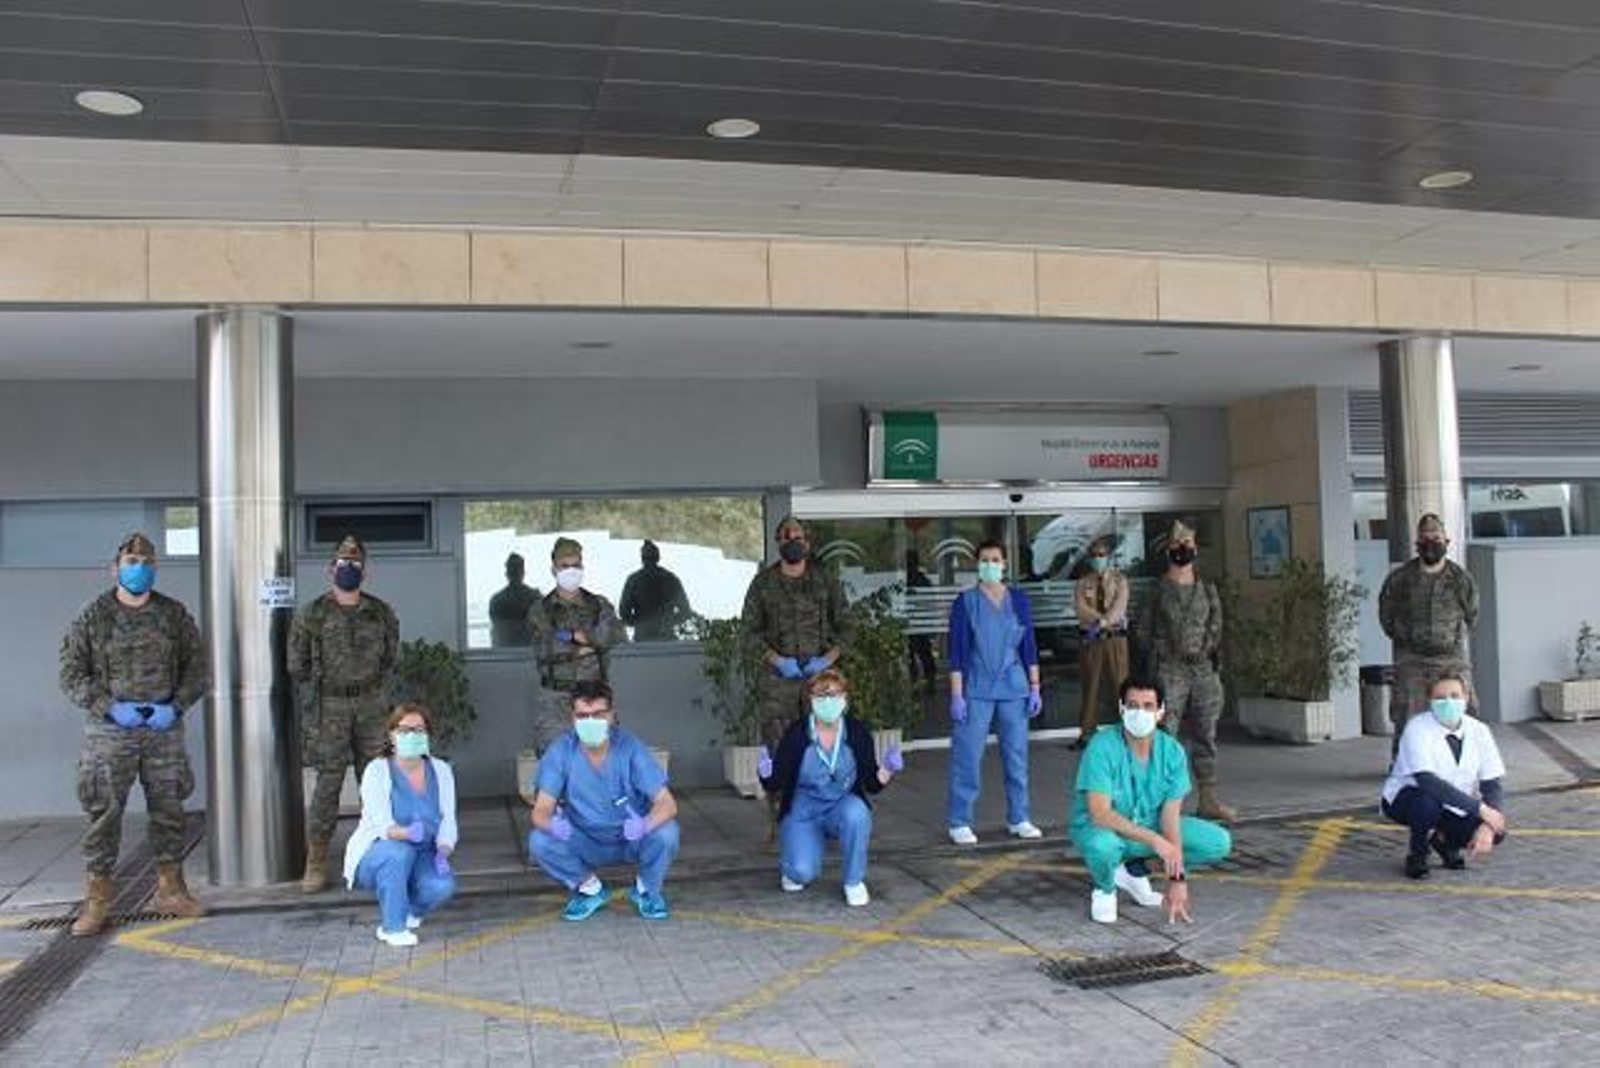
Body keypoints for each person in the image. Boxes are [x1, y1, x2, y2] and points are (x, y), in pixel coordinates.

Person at [59, 532, 208, 936]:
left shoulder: (174, 616)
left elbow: (198, 668)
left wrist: (174, 707)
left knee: (170, 810)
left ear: (154, 569)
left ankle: (171, 889)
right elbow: (71, 674)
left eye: (145, 563)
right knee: (103, 814)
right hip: (111, 732)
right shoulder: (93, 617)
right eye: (130, 562)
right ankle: (97, 900)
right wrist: (110, 707)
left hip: (162, 728)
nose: (138, 568)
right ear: (115, 568)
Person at [1071, 676, 1233, 925]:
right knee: (1104, 846)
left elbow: (1170, 819)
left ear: (1160, 712)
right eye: (1133, 705)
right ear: (1122, 708)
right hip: (1106, 830)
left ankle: (1135, 870)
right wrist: (1156, 841)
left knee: (1217, 842)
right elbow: (1100, 814)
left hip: (1149, 826)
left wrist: (1177, 880)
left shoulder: (1172, 752)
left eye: (1148, 706)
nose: (1140, 712)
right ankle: (1105, 889)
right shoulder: (1101, 746)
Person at [290, 534, 401, 894]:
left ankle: (379, 852)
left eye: (354, 564)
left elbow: (389, 658)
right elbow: (297, 665)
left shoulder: (380, 612)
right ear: (330, 569)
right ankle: (317, 861)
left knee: (377, 782)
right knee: (328, 785)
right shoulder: (312, 614)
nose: (348, 569)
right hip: (330, 707)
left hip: (371, 705)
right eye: (342, 563)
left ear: (364, 572)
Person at [528, 680, 680, 921]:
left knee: (667, 833)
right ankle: (589, 890)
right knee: (539, 841)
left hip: (632, 838)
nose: (590, 722)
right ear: (572, 718)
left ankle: (646, 891)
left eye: (598, 714)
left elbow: (667, 804)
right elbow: (541, 810)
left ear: (612, 715)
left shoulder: (631, 749)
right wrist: (552, 824)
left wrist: (645, 825)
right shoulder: (561, 751)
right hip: (585, 839)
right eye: (582, 716)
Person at [758, 670, 903, 907]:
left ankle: (854, 881)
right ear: (811, 700)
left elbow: (871, 784)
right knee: (801, 874)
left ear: (845, 699)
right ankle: (798, 857)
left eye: (834, 694)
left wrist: (888, 768)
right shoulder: (797, 734)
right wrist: (764, 773)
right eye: (821, 695)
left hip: (841, 804)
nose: (828, 701)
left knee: (858, 814)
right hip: (803, 810)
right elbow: (776, 783)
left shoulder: (856, 732)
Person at [739, 516, 852, 822]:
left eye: (798, 537)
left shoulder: (825, 580)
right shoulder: (763, 583)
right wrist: (778, 661)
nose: (793, 542)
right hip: (778, 684)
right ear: (777, 542)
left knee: (827, 750)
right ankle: (783, 821)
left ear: (808, 542)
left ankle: (828, 817)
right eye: (786, 537)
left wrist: (826, 660)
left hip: (821, 684)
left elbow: (848, 627)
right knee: (781, 753)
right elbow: (748, 632)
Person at [945, 539, 1043, 845]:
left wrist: (1035, 687)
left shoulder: (1019, 600)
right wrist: (957, 695)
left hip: (1014, 687)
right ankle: (959, 820)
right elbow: (957, 651)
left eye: (995, 559)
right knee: (968, 756)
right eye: (984, 559)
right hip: (976, 689)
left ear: (1004, 564)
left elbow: (1029, 646)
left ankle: (1020, 817)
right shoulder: (966, 601)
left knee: (1017, 756)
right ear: (977, 564)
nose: (990, 564)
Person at [343, 702, 459, 947]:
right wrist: (407, 832)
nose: (412, 736)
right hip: (381, 851)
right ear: (392, 735)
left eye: (419, 730)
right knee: (399, 853)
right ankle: (392, 928)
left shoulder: (441, 770)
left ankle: (409, 912)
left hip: (424, 851)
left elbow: (448, 819)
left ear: (428, 734)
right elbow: (383, 826)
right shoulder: (377, 770)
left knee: (443, 885)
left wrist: (444, 850)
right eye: (405, 730)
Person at [1147, 520, 1235, 822]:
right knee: (1165, 737)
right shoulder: (1158, 590)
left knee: (1206, 734)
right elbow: (1143, 630)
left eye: (1188, 546)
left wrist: (1205, 652)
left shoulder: (1206, 589)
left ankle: (1208, 799)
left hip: (1202, 670)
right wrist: (1160, 654)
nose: (1182, 551)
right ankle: (1165, 804)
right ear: (1168, 551)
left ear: (1195, 550)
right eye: (1177, 546)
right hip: (1169, 669)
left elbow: (1217, 624)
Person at [1381, 674, 1507, 880]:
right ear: (1430, 701)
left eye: (1455, 695)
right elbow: (1427, 781)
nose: (1448, 702)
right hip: (1408, 800)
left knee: (1498, 832)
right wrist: (1481, 810)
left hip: (1454, 803)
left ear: (1466, 697)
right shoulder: (1417, 728)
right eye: (1440, 698)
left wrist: (1489, 824)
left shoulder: (1479, 730)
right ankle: (1418, 854)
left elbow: (1492, 784)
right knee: (1427, 803)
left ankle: (1444, 842)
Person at [1378, 513, 1479, 755]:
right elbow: (1386, 616)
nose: (1431, 543)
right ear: (1417, 544)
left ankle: (1463, 761)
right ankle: (1404, 765)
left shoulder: (1460, 579)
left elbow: (1472, 615)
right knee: (1407, 714)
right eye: (1425, 538)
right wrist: (1405, 638)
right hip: (1412, 659)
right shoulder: (1401, 579)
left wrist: (1451, 638)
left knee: (1465, 711)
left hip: (1451, 658)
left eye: (1436, 537)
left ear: (1447, 541)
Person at [527, 537, 627, 754]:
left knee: (602, 766)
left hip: (595, 700)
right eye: (565, 566)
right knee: (554, 769)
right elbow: (549, 649)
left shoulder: (599, 604)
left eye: (576, 565)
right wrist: (590, 644)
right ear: (553, 569)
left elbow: (617, 633)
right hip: (556, 703)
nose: (571, 571)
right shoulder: (540, 610)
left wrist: (576, 637)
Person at [1073, 538, 1130, 752]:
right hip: (1091, 641)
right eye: (1094, 555)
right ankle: (1086, 734)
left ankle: (1127, 732)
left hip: (1115, 640)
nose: (1098, 559)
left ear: (1108, 557)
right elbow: (1080, 608)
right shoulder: (1082, 582)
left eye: (1102, 555)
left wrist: (1104, 622)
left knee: (1120, 686)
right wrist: (1100, 621)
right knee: (1090, 686)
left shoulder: (1120, 580)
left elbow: (1120, 608)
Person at [619, 540, 693, 641]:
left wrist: (641, 623)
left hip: (643, 639)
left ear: (642, 558)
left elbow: (624, 614)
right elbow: (685, 612)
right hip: (666, 637)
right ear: (658, 557)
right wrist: (667, 622)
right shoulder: (671, 579)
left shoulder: (633, 580)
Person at [488, 553, 539, 648]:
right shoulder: (535, 597)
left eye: (517, 569)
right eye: (514, 569)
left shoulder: (496, 600)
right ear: (523, 573)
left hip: (512, 655)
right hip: (516, 654)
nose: (516, 572)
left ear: (506, 574)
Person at [904, 549, 938, 689]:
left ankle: (925, 682)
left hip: (918, 623)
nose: (909, 564)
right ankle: (924, 683)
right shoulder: (918, 579)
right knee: (919, 654)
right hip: (916, 623)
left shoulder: (915, 579)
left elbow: (930, 602)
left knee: (920, 654)